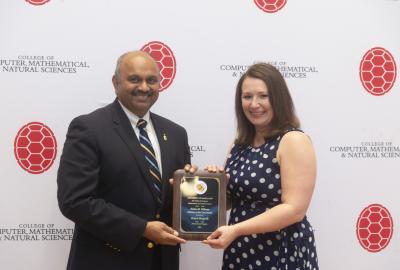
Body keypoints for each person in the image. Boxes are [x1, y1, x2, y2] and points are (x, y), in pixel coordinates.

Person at [57, 51, 193, 270]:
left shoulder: (176, 133)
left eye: (151, 80)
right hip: (106, 261)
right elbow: (75, 201)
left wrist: (197, 186)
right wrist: (142, 229)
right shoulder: (89, 128)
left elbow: (177, 200)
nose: (144, 87)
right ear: (115, 82)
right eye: (134, 79)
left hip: (162, 262)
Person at [203, 63, 319, 270]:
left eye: (263, 96)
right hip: (240, 250)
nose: (254, 104)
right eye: (247, 97)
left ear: (278, 98)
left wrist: (236, 230)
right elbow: (230, 201)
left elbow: (294, 210)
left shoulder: (293, 140)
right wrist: (211, 185)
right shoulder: (239, 143)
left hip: (280, 251)